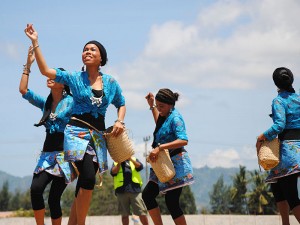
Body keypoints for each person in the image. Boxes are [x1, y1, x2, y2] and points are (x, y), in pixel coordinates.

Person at [24, 24, 126, 225]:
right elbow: (45, 70)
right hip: (75, 132)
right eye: (85, 49)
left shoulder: (111, 82)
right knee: (87, 176)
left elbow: (121, 103)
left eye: (92, 49)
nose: (87, 51)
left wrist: (120, 120)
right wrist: (35, 42)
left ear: (101, 58)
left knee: (86, 182)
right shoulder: (73, 77)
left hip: (98, 137)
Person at [19, 46, 74, 225]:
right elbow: (23, 91)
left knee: (53, 199)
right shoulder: (46, 103)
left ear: (63, 83)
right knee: (35, 189)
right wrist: (28, 65)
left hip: (65, 157)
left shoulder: (72, 102)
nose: (50, 77)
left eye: (55, 76)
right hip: (46, 156)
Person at [142, 88, 194, 225]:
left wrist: (160, 148)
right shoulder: (164, 116)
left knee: (172, 202)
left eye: (161, 106)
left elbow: (183, 140)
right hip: (162, 164)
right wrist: (152, 105)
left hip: (176, 164)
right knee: (147, 195)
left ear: (171, 104)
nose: (159, 109)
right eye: (158, 106)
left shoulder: (176, 118)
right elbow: (160, 123)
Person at [256, 67, 300, 225]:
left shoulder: (279, 100)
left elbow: (279, 125)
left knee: (291, 195)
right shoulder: (298, 98)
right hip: (299, 149)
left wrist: (262, 136)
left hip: (287, 151)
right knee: (277, 186)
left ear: (276, 82)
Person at [110, 157, 149, 225]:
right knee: (124, 215)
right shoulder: (116, 162)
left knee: (142, 213)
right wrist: (119, 162)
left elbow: (140, 166)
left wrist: (130, 158)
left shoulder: (134, 159)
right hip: (121, 191)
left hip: (135, 190)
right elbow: (113, 172)